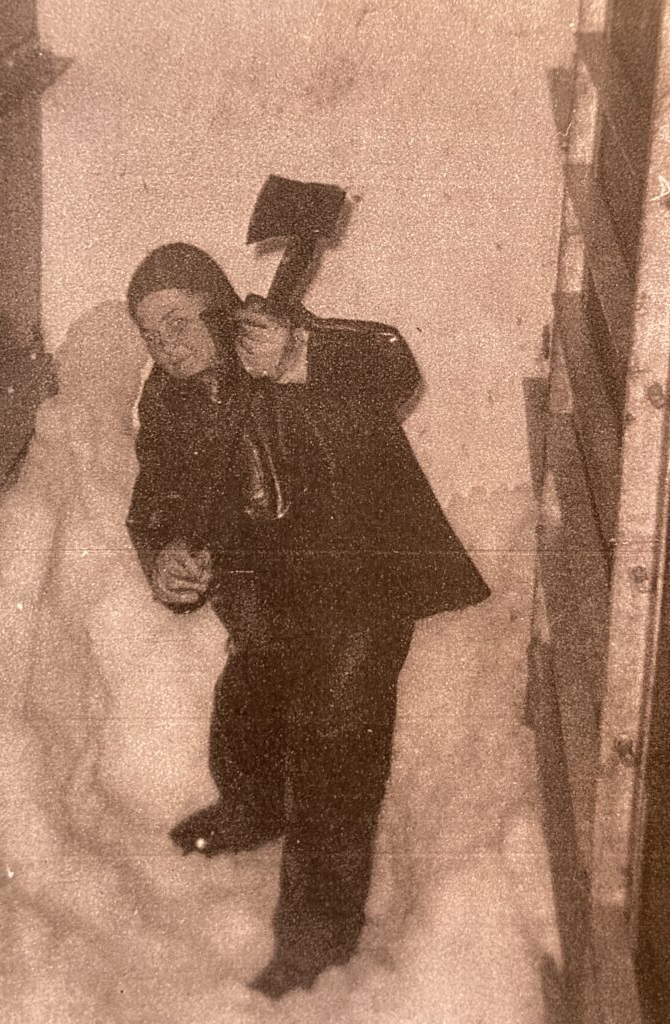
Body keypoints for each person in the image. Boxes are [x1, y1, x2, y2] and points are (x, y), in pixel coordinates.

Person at [125, 243, 490, 999]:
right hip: (270, 599)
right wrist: (165, 555)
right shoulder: (166, 403)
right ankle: (254, 809)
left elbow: (393, 364)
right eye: (149, 333)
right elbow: (153, 503)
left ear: (219, 306)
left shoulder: (285, 343)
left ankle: (317, 937)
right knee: (247, 711)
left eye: (178, 319)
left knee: (333, 756)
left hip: (357, 587)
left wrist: (300, 354)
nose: (168, 343)